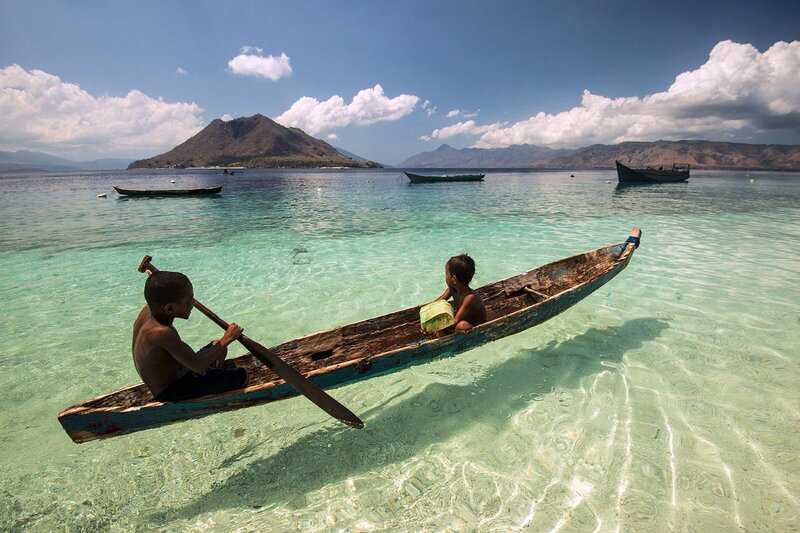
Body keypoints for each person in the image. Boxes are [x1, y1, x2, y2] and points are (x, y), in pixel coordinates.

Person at [132, 270, 248, 401]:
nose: (193, 303)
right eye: (189, 299)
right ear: (169, 309)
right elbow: (197, 365)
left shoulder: (150, 309)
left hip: (181, 371)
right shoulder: (161, 332)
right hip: (171, 390)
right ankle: (212, 390)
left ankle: (212, 381)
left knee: (217, 346)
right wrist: (228, 338)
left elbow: (158, 292)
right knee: (242, 376)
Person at [432, 254, 487, 334]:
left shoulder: (470, 298)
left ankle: (447, 341)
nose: (445, 277)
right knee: (438, 329)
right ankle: (444, 339)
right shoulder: (452, 290)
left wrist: (435, 325)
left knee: (461, 325)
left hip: (476, 329)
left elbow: (455, 321)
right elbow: (437, 303)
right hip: (460, 324)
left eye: (446, 274)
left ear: (454, 279)